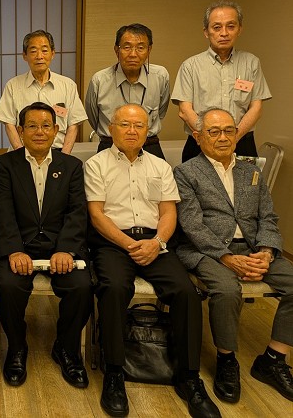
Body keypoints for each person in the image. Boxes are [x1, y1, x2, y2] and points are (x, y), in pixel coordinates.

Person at [84, 104, 220, 418]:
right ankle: (114, 372)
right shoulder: (96, 164)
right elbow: (96, 215)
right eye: (125, 124)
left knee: (186, 293)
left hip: (154, 241)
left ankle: (189, 377)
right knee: (114, 288)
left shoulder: (160, 166)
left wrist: (157, 242)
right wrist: (130, 244)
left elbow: (168, 212)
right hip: (112, 242)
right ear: (111, 129)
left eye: (139, 126)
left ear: (148, 132)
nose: (132, 131)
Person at [174, 107, 293, 404]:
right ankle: (227, 359)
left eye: (229, 130)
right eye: (214, 132)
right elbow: (191, 225)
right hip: (207, 250)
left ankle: (273, 359)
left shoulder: (251, 171)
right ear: (198, 137)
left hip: (253, 248)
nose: (223, 137)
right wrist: (227, 257)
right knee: (227, 290)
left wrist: (266, 251)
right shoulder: (186, 173)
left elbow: (268, 217)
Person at [0, 101, 92, 388]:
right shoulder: (5, 165)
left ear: (56, 130)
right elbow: (3, 211)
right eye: (32, 126)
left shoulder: (71, 166)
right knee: (8, 285)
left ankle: (67, 348)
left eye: (46, 126)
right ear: (20, 131)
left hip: (60, 246)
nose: (39, 132)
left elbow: (77, 212)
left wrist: (66, 249)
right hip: (19, 245)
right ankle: (17, 346)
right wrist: (14, 249)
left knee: (82, 286)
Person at [171, 1, 272, 162]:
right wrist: (210, 137)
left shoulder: (251, 63)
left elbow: (256, 108)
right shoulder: (190, 66)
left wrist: (233, 137)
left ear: (239, 29)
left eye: (231, 26)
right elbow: (185, 110)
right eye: (217, 27)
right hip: (200, 144)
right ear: (206, 32)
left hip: (242, 142)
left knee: (245, 180)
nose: (224, 33)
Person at [86, 23, 170, 158]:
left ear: (149, 50)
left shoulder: (160, 76)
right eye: (127, 47)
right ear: (116, 50)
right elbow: (93, 117)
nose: (133, 54)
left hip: (149, 145)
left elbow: (161, 111)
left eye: (140, 48)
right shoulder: (100, 80)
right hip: (110, 146)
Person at [0, 30, 87, 154]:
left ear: (52, 54)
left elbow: (73, 124)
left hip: (58, 152)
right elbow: (9, 123)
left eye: (44, 50)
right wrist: (20, 154)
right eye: (33, 51)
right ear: (25, 55)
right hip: (22, 152)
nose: (39, 56)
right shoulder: (13, 85)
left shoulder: (68, 85)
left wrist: (64, 156)